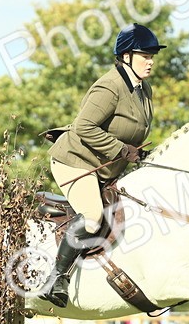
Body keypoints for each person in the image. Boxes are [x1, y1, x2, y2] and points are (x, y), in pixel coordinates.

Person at [39, 23, 165, 307]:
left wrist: (138, 155)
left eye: (152, 55)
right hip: (75, 161)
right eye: (145, 55)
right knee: (93, 215)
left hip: (105, 168)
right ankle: (56, 279)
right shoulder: (110, 86)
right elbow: (84, 127)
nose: (151, 61)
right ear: (126, 57)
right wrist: (122, 149)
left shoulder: (145, 90)